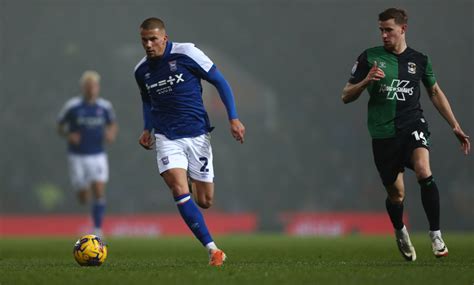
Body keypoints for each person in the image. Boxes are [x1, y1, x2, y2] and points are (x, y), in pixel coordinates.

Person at [341, 8, 470, 261]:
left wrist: (454, 125)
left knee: (424, 170)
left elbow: (434, 92)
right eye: (381, 30)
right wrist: (366, 81)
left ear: (403, 29)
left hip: (412, 124)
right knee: (396, 194)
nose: (384, 35)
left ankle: (435, 234)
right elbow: (345, 95)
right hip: (383, 134)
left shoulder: (420, 60)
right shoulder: (369, 57)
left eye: (388, 30)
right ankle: (400, 230)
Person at [134, 18, 245, 266]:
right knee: (178, 188)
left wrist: (233, 118)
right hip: (166, 136)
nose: (149, 45)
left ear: (164, 37)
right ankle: (213, 250)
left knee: (205, 201)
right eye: (144, 40)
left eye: (153, 39)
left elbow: (220, 81)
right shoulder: (141, 71)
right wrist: (146, 128)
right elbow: (146, 100)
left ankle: (192, 180)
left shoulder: (187, 53)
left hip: (197, 134)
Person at [57, 70, 118, 237]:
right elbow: (60, 126)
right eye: (88, 86)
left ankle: (97, 229)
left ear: (98, 88)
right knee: (83, 196)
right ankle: (83, 192)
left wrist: (111, 133)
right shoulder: (73, 106)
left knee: (99, 188)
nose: (91, 89)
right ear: (83, 87)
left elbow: (112, 124)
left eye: (94, 86)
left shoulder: (104, 106)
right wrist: (68, 134)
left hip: (98, 154)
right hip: (77, 156)